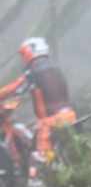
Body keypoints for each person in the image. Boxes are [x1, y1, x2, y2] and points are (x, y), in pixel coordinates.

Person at [0, 37, 77, 168]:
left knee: (39, 160)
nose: (23, 58)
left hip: (51, 122)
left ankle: (38, 185)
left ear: (32, 51)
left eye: (24, 54)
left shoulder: (34, 71)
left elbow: (14, 88)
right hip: (69, 115)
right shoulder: (53, 67)